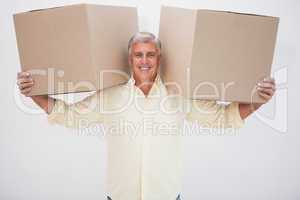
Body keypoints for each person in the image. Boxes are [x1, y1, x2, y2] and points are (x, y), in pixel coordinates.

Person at [17, 32, 276, 200]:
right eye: (138, 54)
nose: (144, 60)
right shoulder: (111, 95)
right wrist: (34, 95)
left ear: (159, 58)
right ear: (130, 59)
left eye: (150, 54)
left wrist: (259, 101)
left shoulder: (179, 94)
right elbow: (70, 116)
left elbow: (223, 117)